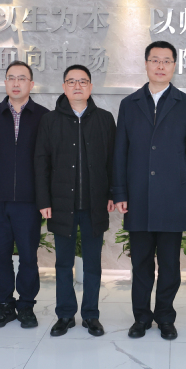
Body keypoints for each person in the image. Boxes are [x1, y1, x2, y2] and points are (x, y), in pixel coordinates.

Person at [112, 40, 186, 341]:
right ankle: (141, 317)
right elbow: (120, 152)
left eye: (166, 61)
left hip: (172, 197)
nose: (161, 66)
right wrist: (120, 192)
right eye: (155, 60)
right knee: (140, 263)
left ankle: (165, 316)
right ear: (146, 64)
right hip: (138, 197)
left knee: (169, 265)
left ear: (174, 66)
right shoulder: (129, 104)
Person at [35, 64, 116, 337]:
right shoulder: (49, 120)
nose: (77, 86)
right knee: (62, 264)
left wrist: (112, 194)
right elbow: (41, 163)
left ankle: (91, 315)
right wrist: (44, 200)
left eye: (83, 81)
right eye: (71, 81)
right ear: (64, 87)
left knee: (92, 264)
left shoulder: (105, 119)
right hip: (61, 204)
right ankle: (65, 315)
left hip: (94, 204)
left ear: (91, 87)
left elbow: (113, 161)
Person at [0, 60, 48, 329]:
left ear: (31, 84)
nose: (16, 83)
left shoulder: (44, 116)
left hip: (29, 200)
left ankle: (26, 305)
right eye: (11, 78)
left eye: (22, 78)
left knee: (29, 256)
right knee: (0, 256)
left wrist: (45, 199)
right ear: (5, 82)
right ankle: (4, 305)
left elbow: (49, 162)